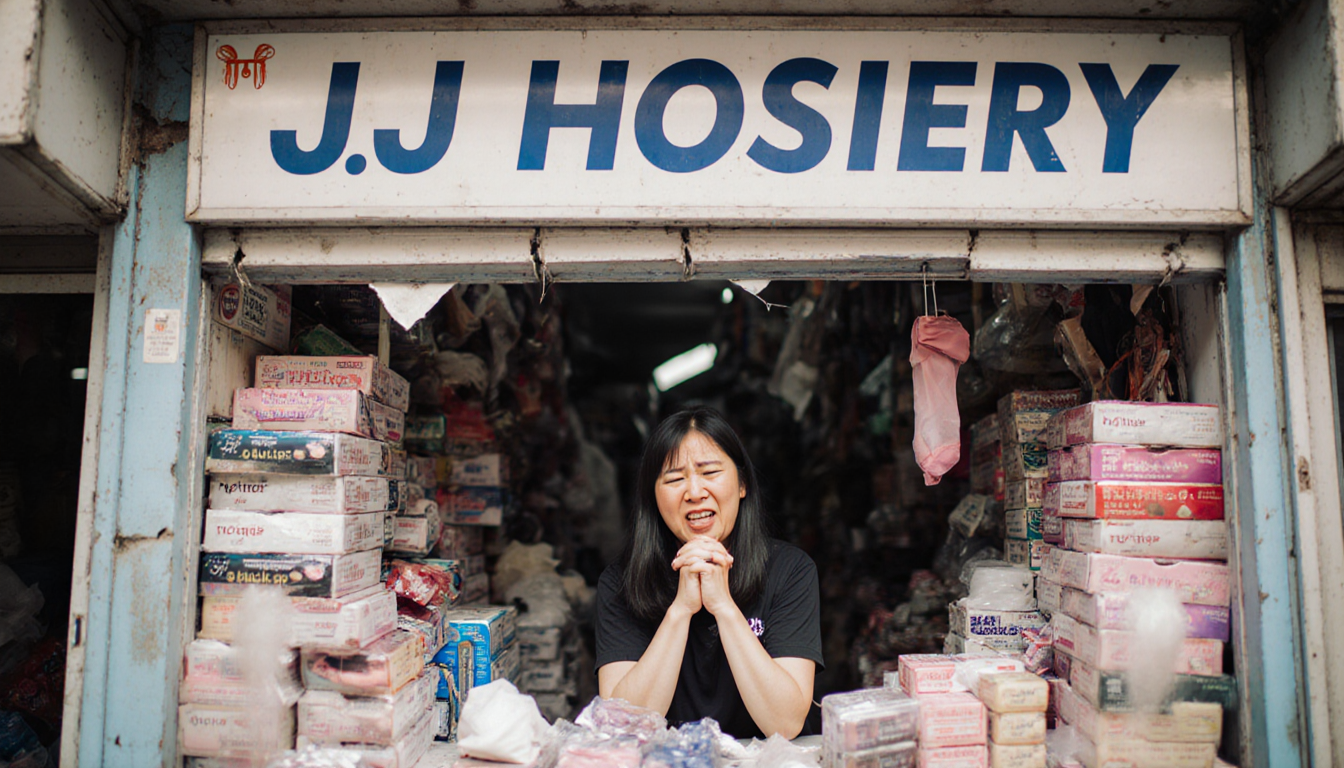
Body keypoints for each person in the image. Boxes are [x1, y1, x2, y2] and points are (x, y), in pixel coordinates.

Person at [595, 407, 823, 739]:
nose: (694, 492)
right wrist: (681, 610)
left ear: (742, 484)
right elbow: (623, 728)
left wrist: (724, 607)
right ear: (653, 498)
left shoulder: (790, 571)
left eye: (710, 472)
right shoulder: (620, 584)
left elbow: (785, 723)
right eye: (674, 479)